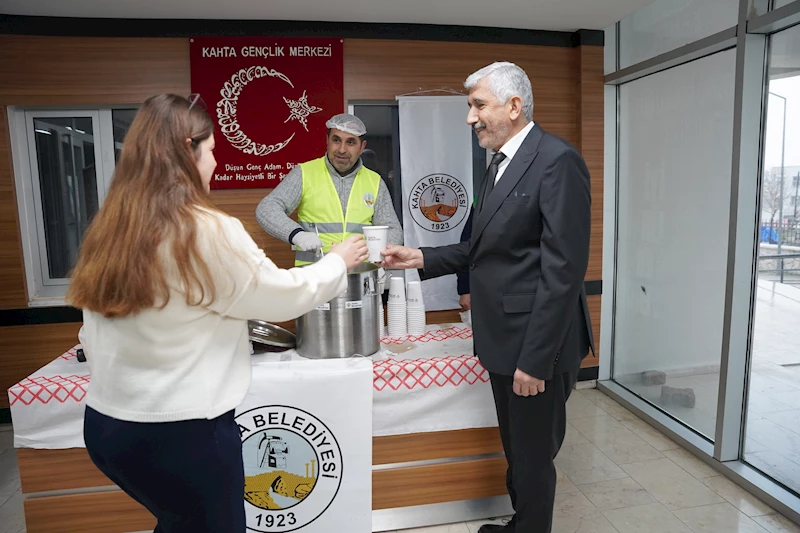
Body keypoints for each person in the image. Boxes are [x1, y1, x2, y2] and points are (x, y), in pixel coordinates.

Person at [66, 94, 368, 533]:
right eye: (210, 151)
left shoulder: (113, 224)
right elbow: (282, 295)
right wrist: (338, 261)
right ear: (187, 152)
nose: (216, 162)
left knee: (179, 521)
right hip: (183, 433)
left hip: (108, 429)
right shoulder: (205, 230)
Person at [380, 62, 595, 533]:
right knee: (517, 448)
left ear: (514, 107)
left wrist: (536, 360)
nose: (470, 117)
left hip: (537, 344)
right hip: (503, 339)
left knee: (535, 457)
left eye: (479, 105)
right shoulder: (498, 163)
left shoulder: (557, 160)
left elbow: (563, 272)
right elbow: (481, 248)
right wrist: (417, 257)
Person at [256, 113, 402, 266]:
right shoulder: (304, 173)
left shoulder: (375, 181)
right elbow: (266, 209)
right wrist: (297, 235)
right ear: (327, 141)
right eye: (336, 140)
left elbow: (393, 229)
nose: (342, 149)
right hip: (314, 279)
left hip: (360, 279)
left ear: (362, 147)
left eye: (350, 142)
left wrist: (380, 252)